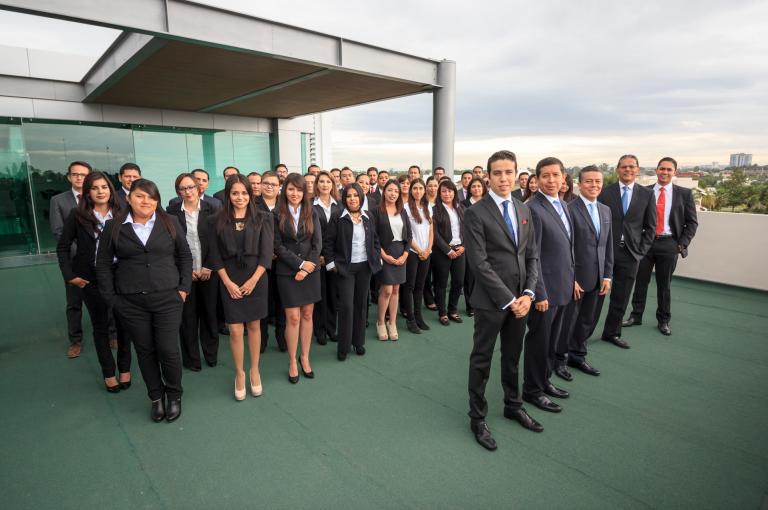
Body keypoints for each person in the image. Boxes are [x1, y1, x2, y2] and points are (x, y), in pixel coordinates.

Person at [96, 179, 192, 423]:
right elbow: (103, 265)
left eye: (151, 197)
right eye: (140, 196)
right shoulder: (114, 226)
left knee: (168, 349)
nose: (146, 201)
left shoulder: (170, 222)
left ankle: (174, 395)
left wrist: (183, 288)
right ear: (129, 198)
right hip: (131, 302)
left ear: (157, 200)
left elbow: (184, 255)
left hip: (168, 298)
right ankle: (156, 397)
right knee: (145, 350)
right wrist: (112, 299)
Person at [465, 150, 540, 450]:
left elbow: (532, 256)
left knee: (512, 356)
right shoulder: (476, 213)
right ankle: (477, 417)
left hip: (521, 300)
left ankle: (513, 404)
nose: (504, 178)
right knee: (481, 360)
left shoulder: (523, 209)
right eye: (497, 173)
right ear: (488, 176)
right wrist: (510, 300)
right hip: (491, 302)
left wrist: (529, 294)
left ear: (517, 174)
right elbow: (479, 263)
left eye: (509, 172)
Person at [57, 170, 131, 391]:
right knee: (100, 327)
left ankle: (125, 369)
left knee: (123, 325)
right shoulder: (77, 215)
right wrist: (70, 276)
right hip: (90, 278)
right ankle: (109, 373)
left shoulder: (122, 212)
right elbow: (63, 247)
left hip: (120, 276)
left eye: (104, 187)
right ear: (87, 192)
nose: (100, 192)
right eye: (95, 188)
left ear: (111, 189)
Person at [207, 174, 273, 400]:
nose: (240, 197)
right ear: (228, 194)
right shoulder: (215, 220)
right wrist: (227, 282)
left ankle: (254, 370)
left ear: (250, 193)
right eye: (235, 193)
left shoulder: (264, 218)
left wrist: (253, 280)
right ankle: (239, 373)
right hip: (229, 279)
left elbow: (266, 254)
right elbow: (214, 255)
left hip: (256, 278)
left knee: (254, 326)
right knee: (235, 329)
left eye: (244, 192)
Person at [522, 157, 575, 415]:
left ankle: (545, 381)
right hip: (545, 292)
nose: (551, 180)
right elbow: (533, 255)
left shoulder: (563, 205)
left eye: (556, 175)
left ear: (564, 177)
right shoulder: (533, 208)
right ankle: (532, 390)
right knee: (539, 342)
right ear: (537, 179)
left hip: (562, 285)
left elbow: (567, 247)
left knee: (552, 341)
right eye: (546, 175)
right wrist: (539, 292)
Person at [626, 157, 698, 336]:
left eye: (669, 169)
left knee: (664, 285)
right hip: (645, 244)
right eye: (662, 168)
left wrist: (681, 244)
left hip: (669, 243)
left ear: (675, 172)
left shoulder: (684, 194)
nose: (665, 172)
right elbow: (635, 219)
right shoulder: (644, 192)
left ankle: (663, 320)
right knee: (640, 282)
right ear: (656, 170)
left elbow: (692, 223)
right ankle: (635, 316)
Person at [598, 155, 656, 348]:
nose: (628, 170)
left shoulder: (647, 194)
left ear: (637, 170)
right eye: (624, 167)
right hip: (605, 252)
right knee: (595, 297)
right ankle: (581, 335)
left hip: (630, 254)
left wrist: (640, 252)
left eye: (632, 167)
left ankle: (612, 333)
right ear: (617, 169)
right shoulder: (605, 192)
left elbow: (651, 227)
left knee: (621, 298)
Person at [561, 165, 612, 377]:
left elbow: (607, 245)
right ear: (580, 184)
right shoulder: (569, 209)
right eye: (589, 181)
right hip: (576, 279)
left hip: (598, 278)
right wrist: (571, 278)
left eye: (597, 181)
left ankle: (578, 356)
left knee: (587, 320)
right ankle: (559, 359)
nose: (593, 185)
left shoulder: (605, 210)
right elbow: (566, 248)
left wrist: (607, 275)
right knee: (568, 322)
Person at [167, 173, 219, 371]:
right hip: (184, 274)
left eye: (191, 187)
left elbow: (219, 242)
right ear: (178, 192)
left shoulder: (213, 209)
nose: (187, 191)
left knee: (210, 315)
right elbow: (171, 246)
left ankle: (211, 355)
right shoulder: (171, 212)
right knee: (187, 319)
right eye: (183, 188)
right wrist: (186, 270)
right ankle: (192, 360)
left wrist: (208, 266)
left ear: (198, 188)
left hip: (209, 272)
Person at [274, 174, 322, 383]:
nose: (295, 194)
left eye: (299, 190)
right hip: (288, 272)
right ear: (285, 190)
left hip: (311, 270)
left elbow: (317, 243)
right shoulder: (276, 214)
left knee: (308, 314)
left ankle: (305, 357)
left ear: (305, 192)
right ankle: (292, 360)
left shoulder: (312, 212)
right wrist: (300, 265)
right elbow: (277, 246)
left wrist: (308, 267)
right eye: (291, 189)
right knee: (293, 317)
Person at [325, 183, 381, 360]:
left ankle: (358, 342)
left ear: (361, 198)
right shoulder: (337, 217)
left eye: (355, 195)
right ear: (344, 199)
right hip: (345, 269)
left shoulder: (368, 216)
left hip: (365, 267)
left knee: (361, 305)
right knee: (347, 307)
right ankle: (344, 346)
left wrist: (376, 256)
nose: (352, 199)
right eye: (349, 196)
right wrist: (331, 264)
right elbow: (328, 243)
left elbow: (375, 240)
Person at [50, 160, 91, 358]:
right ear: (69, 177)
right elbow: (59, 232)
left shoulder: (97, 197)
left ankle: (111, 333)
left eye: (83, 175)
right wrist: (83, 251)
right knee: (74, 303)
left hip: (98, 261)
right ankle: (75, 340)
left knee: (105, 298)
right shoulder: (58, 200)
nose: (79, 178)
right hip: (74, 261)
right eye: (75, 174)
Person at [373, 179, 411, 341]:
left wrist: (405, 255)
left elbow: (409, 235)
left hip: (400, 252)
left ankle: (392, 322)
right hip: (384, 252)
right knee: (387, 290)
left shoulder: (402, 211)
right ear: (384, 192)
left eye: (396, 191)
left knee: (396, 290)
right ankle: (381, 322)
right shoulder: (376, 211)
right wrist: (384, 255)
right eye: (390, 190)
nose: (393, 194)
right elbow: (373, 237)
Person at [253, 171, 286, 352]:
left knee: (282, 301)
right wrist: (265, 253)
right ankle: (262, 339)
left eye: (274, 184)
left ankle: (282, 337)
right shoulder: (252, 204)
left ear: (279, 187)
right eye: (266, 183)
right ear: (260, 184)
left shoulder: (285, 204)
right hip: (260, 263)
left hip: (282, 261)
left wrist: (279, 252)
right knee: (262, 301)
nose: (269, 187)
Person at [431, 179, 466, 326]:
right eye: (444, 191)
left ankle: (452, 310)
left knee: (458, 282)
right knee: (441, 283)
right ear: (439, 193)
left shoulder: (461, 207)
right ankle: (442, 313)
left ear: (454, 192)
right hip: (442, 251)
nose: (447, 194)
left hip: (460, 250)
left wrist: (464, 246)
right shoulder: (434, 209)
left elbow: (468, 229)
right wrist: (447, 250)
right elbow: (435, 233)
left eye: (450, 191)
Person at [313, 171, 341, 345]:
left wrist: (332, 257)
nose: (325, 185)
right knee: (319, 295)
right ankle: (320, 330)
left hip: (334, 258)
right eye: (321, 181)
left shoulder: (339, 206)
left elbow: (342, 234)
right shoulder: (310, 205)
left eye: (328, 182)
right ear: (317, 184)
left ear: (333, 184)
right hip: (316, 258)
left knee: (333, 294)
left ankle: (331, 328)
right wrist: (319, 255)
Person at [403, 178, 433, 333]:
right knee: (409, 286)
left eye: (421, 188)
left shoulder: (428, 207)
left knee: (420, 286)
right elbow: (407, 234)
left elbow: (431, 230)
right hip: (413, 252)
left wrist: (428, 249)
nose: (418, 191)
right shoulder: (405, 208)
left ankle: (418, 316)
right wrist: (419, 250)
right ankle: (410, 319)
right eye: (415, 188)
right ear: (411, 190)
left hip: (426, 252)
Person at [423, 176, 439, 311]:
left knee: (438, 273)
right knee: (426, 274)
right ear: (426, 187)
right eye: (430, 185)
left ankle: (438, 297)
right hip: (425, 243)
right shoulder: (422, 202)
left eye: (435, 185)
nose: (432, 188)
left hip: (440, 244)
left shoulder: (442, 201)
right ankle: (428, 299)